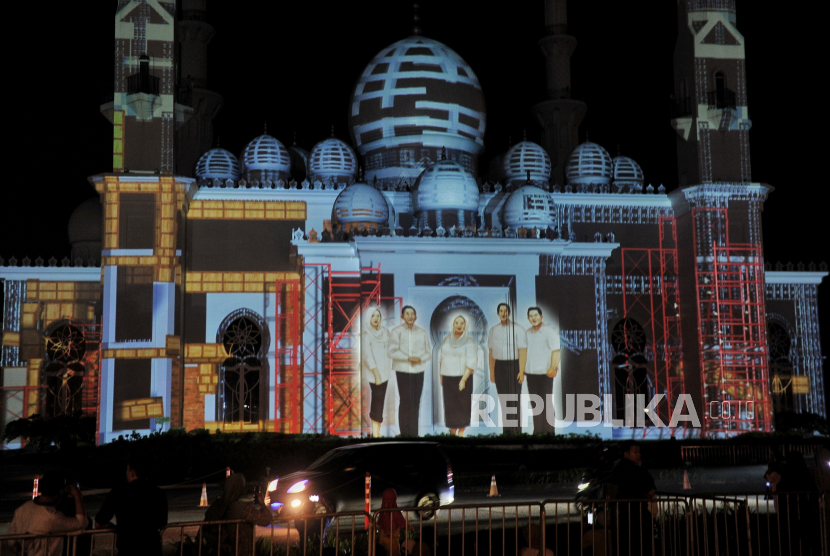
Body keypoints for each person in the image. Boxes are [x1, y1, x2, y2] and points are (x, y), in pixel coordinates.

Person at [94, 456, 168, 556]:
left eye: (127, 470)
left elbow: (99, 522)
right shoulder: (159, 493)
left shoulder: (118, 492)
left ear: (132, 473)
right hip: (152, 549)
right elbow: (162, 522)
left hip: (127, 549)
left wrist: (116, 527)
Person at [8, 471, 88, 556]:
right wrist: (77, 495)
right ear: (61, 492)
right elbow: (81, 523)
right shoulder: (52, 517)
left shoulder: (22, 509)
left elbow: (11, 537)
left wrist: (19, 552)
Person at [204, 473, 272, 556]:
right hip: (241, 551)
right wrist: (262, 504)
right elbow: (265, 520)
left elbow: (206, 529)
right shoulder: (241, 507)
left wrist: (220, 543)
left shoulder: (216, 505)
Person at [388, 306, 431, 436]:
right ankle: (404, 433)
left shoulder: (422, 332)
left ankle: (414, 434)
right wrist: (408, 358)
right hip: (403, 370)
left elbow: (428, 352)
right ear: (402, 317)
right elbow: (391, 351)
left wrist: (419, 359)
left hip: (419, 370)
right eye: (407, 314)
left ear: (416, 317)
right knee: (405, 400)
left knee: (416, 402)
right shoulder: (396, 332)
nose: (410, 316)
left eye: (412, 314)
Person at [609, 440, 656, 556]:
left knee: (625, 547)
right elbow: (651, 491)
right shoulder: (638, 471)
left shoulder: (617, 469)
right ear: (626, 454)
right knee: (642, 547)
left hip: (623, 515)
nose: (638, 455)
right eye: (635, 452)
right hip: (639, 515)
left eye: (638, 452)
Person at [488, 302, 527, 434]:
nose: (503, 313)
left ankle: (517, 432)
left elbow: (523, 351)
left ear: (509, 313)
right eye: (501, 311)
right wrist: (492, 371)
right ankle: (507, 432)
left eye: (506, 311)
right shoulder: (493, 330)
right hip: (499, 366)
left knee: (514, 399)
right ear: (498, 314)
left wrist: (521, 371)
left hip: (514, 365)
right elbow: (491, 353)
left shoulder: (518, 329)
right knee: (504, 400)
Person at [439, 315, 477, 436]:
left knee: (462, 405)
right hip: (447, 377)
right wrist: (441, 377)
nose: (459, 325)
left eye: (462, 323)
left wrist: (463, 379)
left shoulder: (470, 340)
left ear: (465, 325)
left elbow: (472, 360)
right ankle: (452, 432)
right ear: (453, 325)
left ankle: (461, 433)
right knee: (450, 406)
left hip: (463, 377)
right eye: (457, 323)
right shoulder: (446, 339)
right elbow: (442, 358)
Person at [524, 307, 560, 434]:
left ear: (541, 316)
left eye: (536, 315)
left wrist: (554, 367)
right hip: (531, 374)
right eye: (531, 316)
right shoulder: (526, 333)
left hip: (546, 374)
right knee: (536, 405)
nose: (534, 318)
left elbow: (556, 351)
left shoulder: (549, 332)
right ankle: (537, 432)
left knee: (547, 404)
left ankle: (549, 433)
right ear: (528, 319)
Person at [363, 306, 392, 437]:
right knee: (377, 401)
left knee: (380, 401)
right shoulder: (366, 334)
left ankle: (377, 431)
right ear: (369, 318)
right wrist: (376, 374)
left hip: (385, 374)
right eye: (373, 316)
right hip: (375, 375)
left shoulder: (385, 332)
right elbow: (367, 356)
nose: (376, 318)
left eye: (378, 316)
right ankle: (375, 433)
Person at [376, 489, 412, 556]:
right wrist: (409, 527)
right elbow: (401, 521)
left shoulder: (382, 509)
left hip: (382, 539)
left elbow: (380, 524)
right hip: (392, 539)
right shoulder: (395, 510)